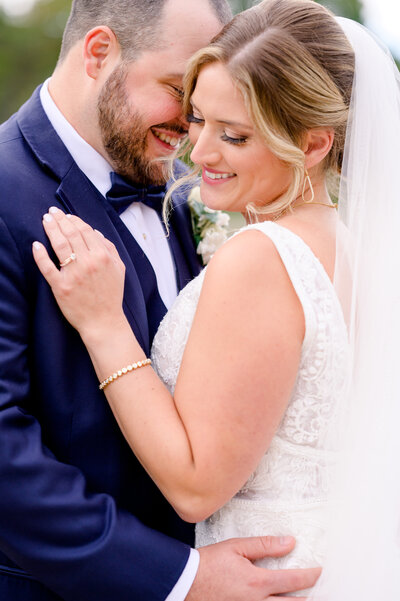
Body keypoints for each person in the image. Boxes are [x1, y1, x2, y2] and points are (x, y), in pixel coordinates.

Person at [34, 0, 400, 597]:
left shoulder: (262, 257)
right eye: (198, 118)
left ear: (311, 145)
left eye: (233, 135)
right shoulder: (352, 249)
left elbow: (197, 485)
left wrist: (105, 325)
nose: (198, 152)